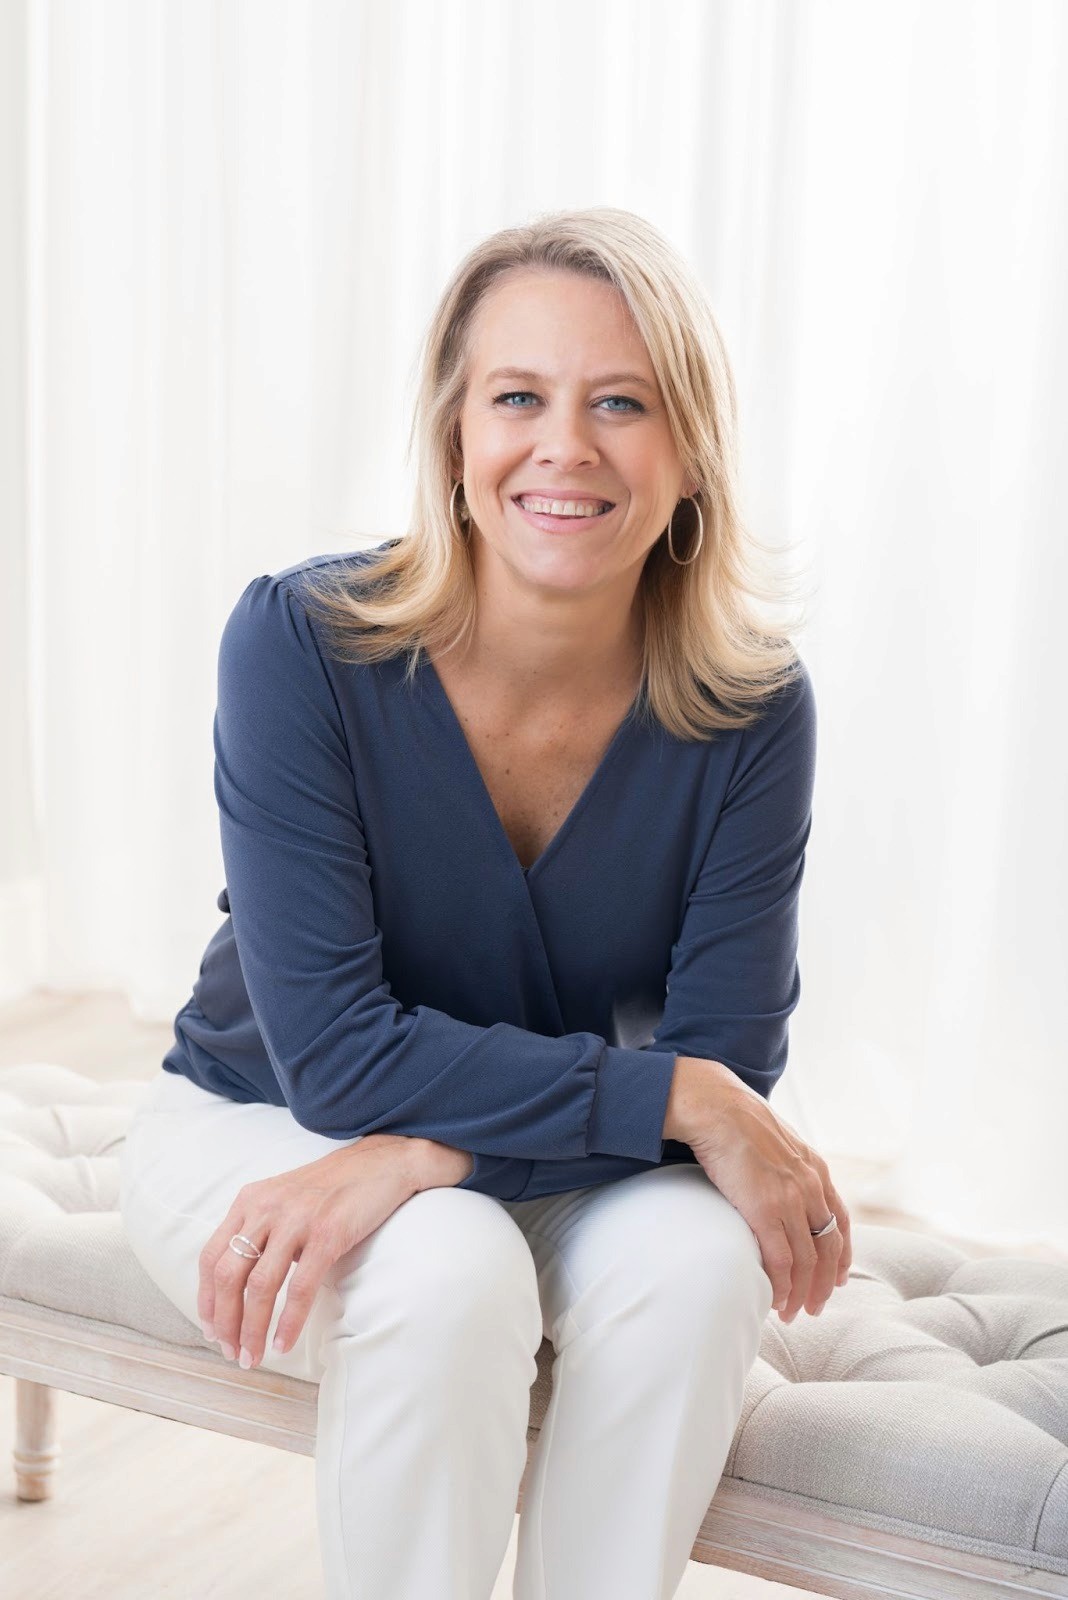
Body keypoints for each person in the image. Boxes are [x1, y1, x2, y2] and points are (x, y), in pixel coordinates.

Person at [119, 206, 851, 1600]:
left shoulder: (752, 707)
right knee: (443, 1273)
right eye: (518, 397)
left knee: (698, 1271)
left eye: (621, 402)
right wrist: (667, 1098)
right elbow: (337, 1061)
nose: (564, 446)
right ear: (455, 437)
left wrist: (428, 1154)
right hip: (266, 1120)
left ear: (690, 452)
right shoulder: (300, 643)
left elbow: (725, 1060)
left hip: (568, 1155)